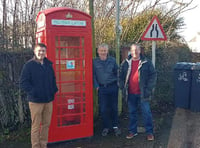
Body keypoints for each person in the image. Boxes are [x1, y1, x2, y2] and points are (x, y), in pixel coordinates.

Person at [20, 43, 58, 148]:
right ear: (34, 52)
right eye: (39, 50)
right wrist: (34, 92)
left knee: (46, 125)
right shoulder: (29, 65)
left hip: (48, 100)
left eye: (43, 51)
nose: (41, 52)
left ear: (46, 52)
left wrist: (54, 90)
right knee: (36, 126)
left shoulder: (48, 65)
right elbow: (23, 83)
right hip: (36, 101)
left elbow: (53, 79)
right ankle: (36, 146)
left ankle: (43, 144)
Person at [119, 43, 157, 141]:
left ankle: (150, 132)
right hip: (130, 93)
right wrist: (122, 86)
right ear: (130, 51)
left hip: (143, 93)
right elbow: (120, 75)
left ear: (140, 51)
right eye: (133, 50)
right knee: (132, 113)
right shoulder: (126, 62)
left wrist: (148, 89)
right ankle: (133, 131)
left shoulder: (146, 62)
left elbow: (153, 76)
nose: (135, 52)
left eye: (137, 50)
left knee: (146, 113)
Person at [93, 43, 121, 136]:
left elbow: (117, 72)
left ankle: (115, 126)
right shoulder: (94, 62)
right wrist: (96, 85)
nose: (103, 52)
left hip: (113, 87)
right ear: (98, 51)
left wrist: (118, 83)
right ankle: (106, 127)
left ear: (107, 51)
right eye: (101, 50)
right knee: (103, 109)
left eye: (105, 50)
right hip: (102, 88)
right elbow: (93, 75)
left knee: (114, 107)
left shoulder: (112, 60)